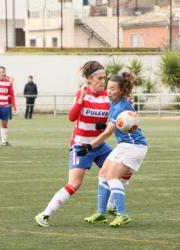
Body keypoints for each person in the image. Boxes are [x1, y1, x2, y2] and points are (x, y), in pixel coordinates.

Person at [35, 61, 131, 227]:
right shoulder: (82, 94)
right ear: (89, 78)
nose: (103, 82)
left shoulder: (106, 97)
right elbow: (72, 117)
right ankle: (44, 214)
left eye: (104, 78)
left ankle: (110, 207)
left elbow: (112, 118)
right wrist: (80, 99)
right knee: (74, 183)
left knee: (125, 169)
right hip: (81, 146)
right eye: (100, 78)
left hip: (98, 145)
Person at [80, 71, 148, 227]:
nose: (108, 91)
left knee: (112, 177)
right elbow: (114, 125)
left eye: (112, 89)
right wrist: (103, 125)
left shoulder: (122, 106)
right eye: (108, 88)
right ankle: (101, 213)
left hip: (134, 146)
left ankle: (122, 215)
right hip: (124, 145)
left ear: (121, 91)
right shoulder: (114, 103)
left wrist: (89, 146)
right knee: (103, 174)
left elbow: (107, 134)